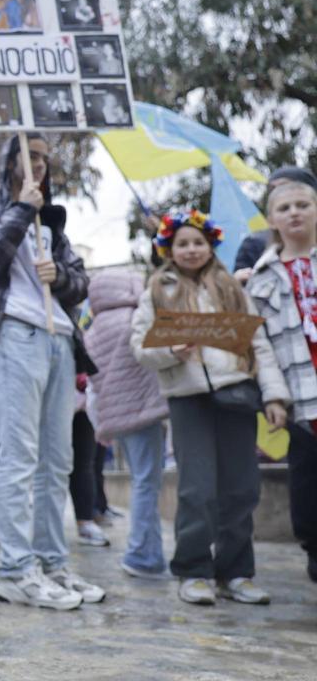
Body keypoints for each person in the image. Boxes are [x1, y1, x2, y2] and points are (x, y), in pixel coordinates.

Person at [0, 132, 102, 611]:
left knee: (56, 459)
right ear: (10, 159)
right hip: (16, 334)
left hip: (60, 338)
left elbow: (81, 280)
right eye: (30, 155)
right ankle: (16, 570)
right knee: (19, 457)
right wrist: (20, 209)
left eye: (44, 157)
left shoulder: (53, 221)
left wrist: (59, 277)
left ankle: (51, 563)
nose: (39, 164)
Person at [130, 210, 289, 605]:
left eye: (197, 242)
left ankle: (236, 572)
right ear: (168, 248)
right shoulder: (157, 289)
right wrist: (171, 350)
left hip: (236, 393)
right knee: (197, 488)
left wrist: (273, 395)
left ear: (211, 245)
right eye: (182, 243)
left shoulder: (233, 290)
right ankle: (194, 569)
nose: (190, 250)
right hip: (188, 399)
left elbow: (259, 345)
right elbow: (140, 347)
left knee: (241, 488)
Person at [244, 181, 317, 583]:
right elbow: (262, 347)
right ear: (272, 219)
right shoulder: (262, 279)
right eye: (285, 207)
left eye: (303, 204)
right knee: (307, 486)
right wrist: (273, 396)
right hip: (302, 399)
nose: (295, 213)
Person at [84, 268, 171, 579]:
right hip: (144, 411)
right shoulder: (136, 318)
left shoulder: (94, 329)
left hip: (117, 417)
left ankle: (149, 554)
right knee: (148, 483)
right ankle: (142, 556)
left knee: (142, 482)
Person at [234, 167, 317, 278]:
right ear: (271, 219)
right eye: (272, 189)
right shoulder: (254, 243)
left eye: (302, 205)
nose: (293, 212)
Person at [69, 373, 110, 547]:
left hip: (84, 400)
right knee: (50, 465)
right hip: (55, 394)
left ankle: (86, 519)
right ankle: (45, 531)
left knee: (86, 464)